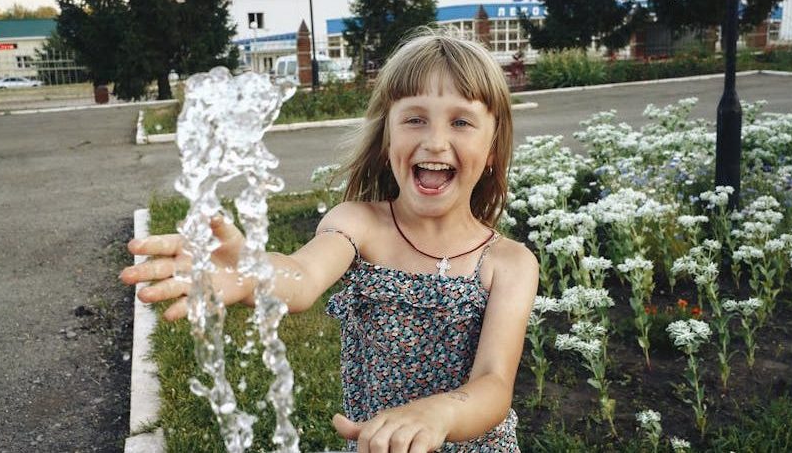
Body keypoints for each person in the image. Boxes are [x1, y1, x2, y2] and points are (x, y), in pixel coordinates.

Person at [120, 30, 539, 453]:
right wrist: (253, 273)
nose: (434, 140)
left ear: (491, 148)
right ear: (387, 139)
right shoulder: (360, 225)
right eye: (414, 119)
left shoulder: (509, 263)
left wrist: (438, 413)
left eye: (461, 122)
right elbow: (301, 277)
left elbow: (494, 383)